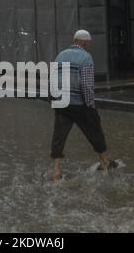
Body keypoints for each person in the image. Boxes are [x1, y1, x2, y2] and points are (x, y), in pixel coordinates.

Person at [51, 30, 118, 181]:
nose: (89, 46)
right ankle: (104, 162)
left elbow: (53, 79)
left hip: (61, 103)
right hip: (79, 103)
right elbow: (87, 85)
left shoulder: (60, 55)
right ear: (84, 42)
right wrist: (90, 105)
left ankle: (56, 171)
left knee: (59, 136)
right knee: (95, 130)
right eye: (88, 43)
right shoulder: (86, 57)